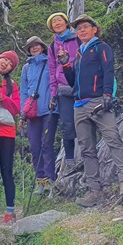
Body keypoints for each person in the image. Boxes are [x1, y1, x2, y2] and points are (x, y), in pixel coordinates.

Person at [61, 15, 123, 206]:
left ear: (95, 29)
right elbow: (73, 82)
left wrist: (108, 95)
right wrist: (65, 64)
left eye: (86, 27)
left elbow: (108, 70)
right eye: (79, 29)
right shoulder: (79, 54)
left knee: (113, 140)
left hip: (98, 102)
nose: (82, 31)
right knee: (87, 149)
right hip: (79, 105)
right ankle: (94, 191)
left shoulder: (101, 47)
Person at [20, 35, 57, 193]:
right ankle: (40, 181)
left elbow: (56, 82)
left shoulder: (50, 62)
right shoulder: (26, 68)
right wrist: (23, 112)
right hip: (32, 113)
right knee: (35, 147)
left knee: (46, 145)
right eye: (31, 46)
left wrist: (54, 99)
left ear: (42, 47)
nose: (34, 48)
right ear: (28, 50)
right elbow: (23, 91)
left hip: (49, 110)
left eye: (37, 45)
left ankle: (50, 179)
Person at [46, 12, 79, 172]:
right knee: (67, 124)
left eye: (59, 20)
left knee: (85, 121)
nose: (57, 23)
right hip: (63, 90)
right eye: (54, 22)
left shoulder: (78, 38)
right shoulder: (52, 47)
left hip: (81, 87)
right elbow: (52, 71)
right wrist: (53, 94)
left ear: (66, 23)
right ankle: (71, 159)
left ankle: (87, 155)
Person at [0, 50, 20, 223]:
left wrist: (1, 98)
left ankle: (10, 210)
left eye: (10, 64)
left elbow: (16, 108)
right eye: (4, 60)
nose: (5, 64)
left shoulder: (12, 85)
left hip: (7, 132)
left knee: (6, 170)